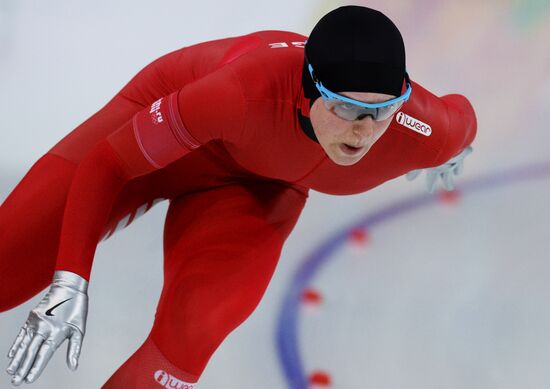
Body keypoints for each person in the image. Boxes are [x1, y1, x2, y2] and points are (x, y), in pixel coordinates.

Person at [1, 5, 476, 388]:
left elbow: (462, 118)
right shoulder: (244, 93)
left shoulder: (425, 132)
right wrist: (70, 283)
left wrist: (454, 148)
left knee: (198, 327)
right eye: (347, 107)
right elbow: (108, 164)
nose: (364, 131)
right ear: (309, 94)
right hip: (169, 132)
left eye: (384, 109)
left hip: (260, 187)